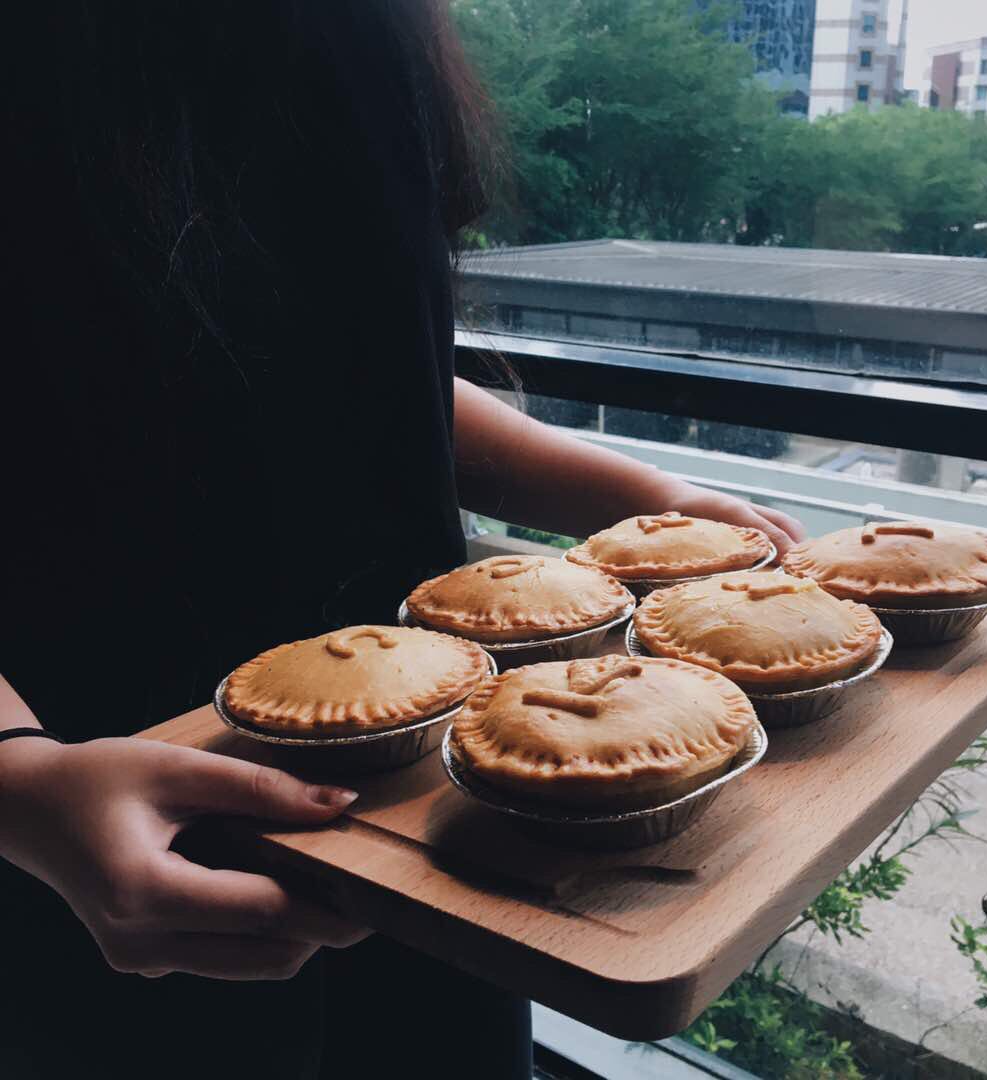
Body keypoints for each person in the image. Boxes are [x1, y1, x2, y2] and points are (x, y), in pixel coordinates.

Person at [0, 3, 805, 1078]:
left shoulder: (373, 28)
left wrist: (644, 497)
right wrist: (16, 779)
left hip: (439, 813)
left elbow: (363, 362)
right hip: (94, 838)